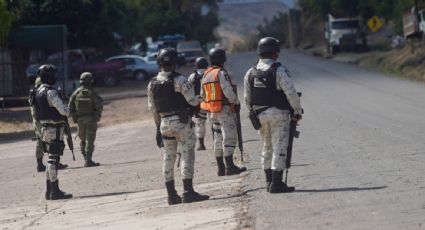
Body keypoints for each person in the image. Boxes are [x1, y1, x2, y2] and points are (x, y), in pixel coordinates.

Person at [148, 48, 209, 205]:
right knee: (187, 154)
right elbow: (193, 102)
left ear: (159, 63)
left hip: (164, 124)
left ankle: (171, 196)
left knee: (168, 157)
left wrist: (157, 128)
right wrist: (202, 97)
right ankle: (188, 192)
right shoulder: (180, 80)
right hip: (181, 123)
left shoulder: (152, 84)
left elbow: (153, 109)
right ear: (174, 63)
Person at [243, 37, 303, 193]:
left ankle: (268, 182)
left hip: (260, 116)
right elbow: (291, 92)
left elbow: (247, 99)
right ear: (275, 53)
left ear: (259, 53)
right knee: (279, 147)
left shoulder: (250, 72)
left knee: (266, 147)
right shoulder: (279, 70)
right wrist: (297, 111)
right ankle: (277, 183)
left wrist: (253, 113)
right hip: (279, 115)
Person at [200, 48, 246, 176]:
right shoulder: (220, 73)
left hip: (212, 111)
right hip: (224, 109)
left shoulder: (206, 74)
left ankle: (220, 168)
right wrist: (236, 102)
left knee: (218, 138)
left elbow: (202, 94)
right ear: (222, 59)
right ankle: (230, 166)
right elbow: (227, 90)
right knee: (229, 137)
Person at [33, 64, 72, 200]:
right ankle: (54, 191)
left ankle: (49, 190)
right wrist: (70, 108)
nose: (55, 77)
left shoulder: (37, 91)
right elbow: (63, 111)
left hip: (44, 128)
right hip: (54, 129)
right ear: (48, 76)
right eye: (53, 74)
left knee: (51, 159)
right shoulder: (51, 92)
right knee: (54, 159)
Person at [29, 77, 68, 172]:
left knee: (44, 141)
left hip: (38, 120)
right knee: (46, 141)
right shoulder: (40, 94)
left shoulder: (35, 94)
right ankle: (50, 163)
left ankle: (48, 163)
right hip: (40, 121)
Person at [69, 72, 103, 167]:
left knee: (83, 140)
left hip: (80, 120)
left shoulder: (76, 93)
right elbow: (99, 105)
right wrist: (97, 116)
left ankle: (85, 159)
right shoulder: (92, 93)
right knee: (90, 140)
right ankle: (88, 160)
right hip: (91, 120)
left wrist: (75, 117)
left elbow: (70, 106)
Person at [188, 57, 209, 151]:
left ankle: (201, 144)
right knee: (215, 123)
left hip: (200, 103)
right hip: (212, 102)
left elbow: (188, 90)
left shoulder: (193, 76)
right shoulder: (210, 74)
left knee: (200, 123)